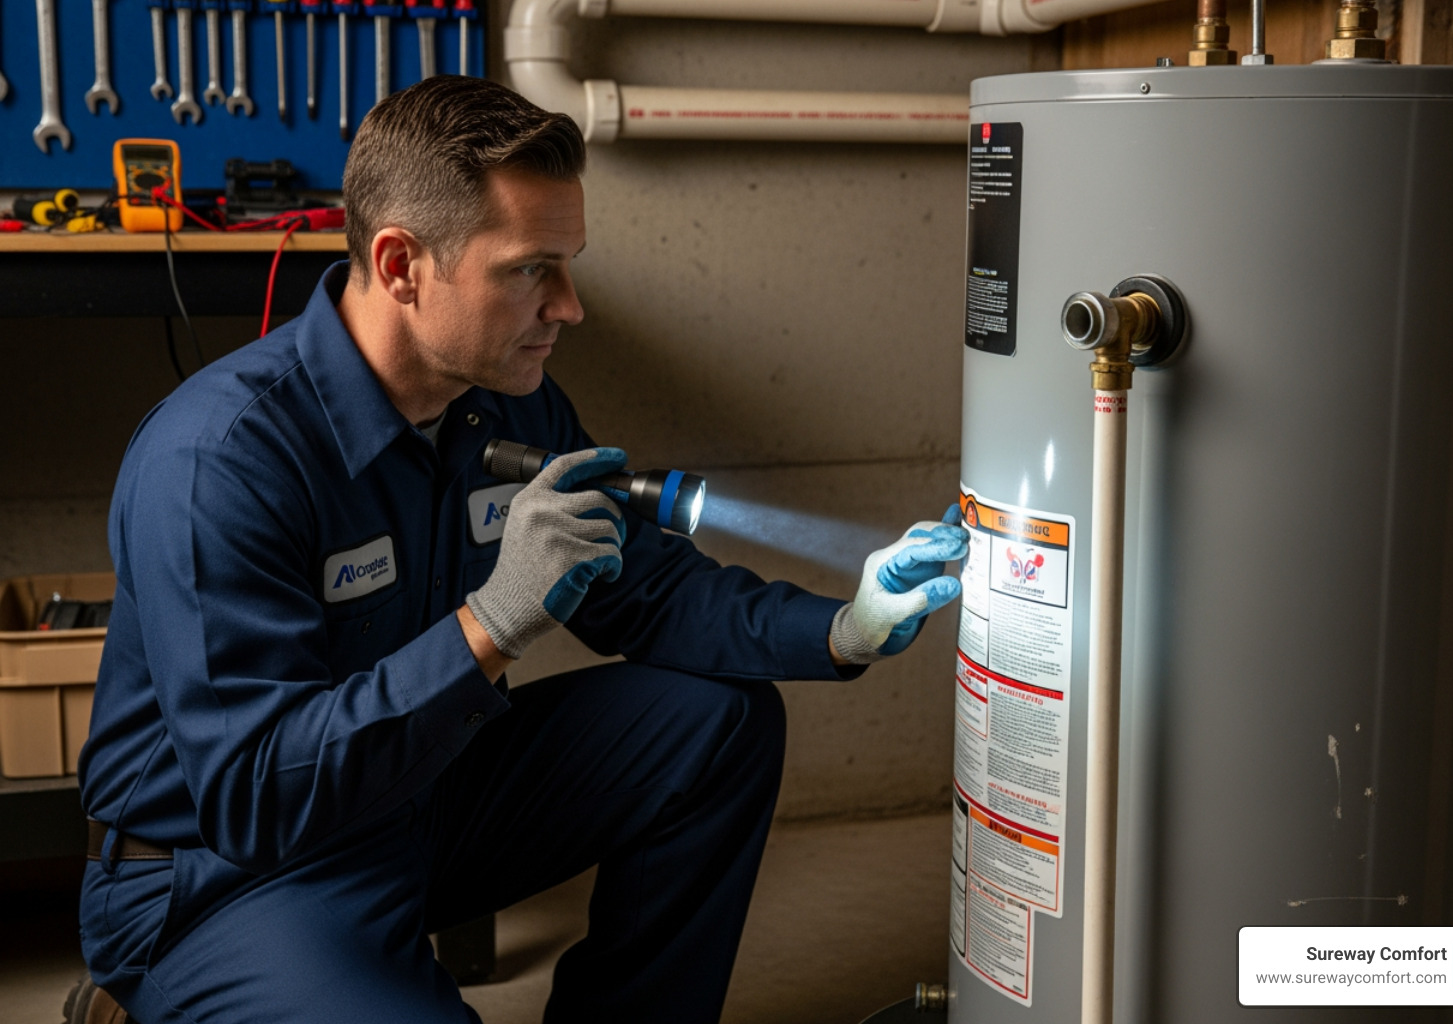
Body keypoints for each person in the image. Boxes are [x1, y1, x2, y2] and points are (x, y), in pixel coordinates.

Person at [76, 75, 967, 1024]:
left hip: (419, 802)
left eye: (570, 263)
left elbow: (647, 592)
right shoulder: (220, 461)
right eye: (530, 269)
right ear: (402, 263)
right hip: (225, 872)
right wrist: (492, 623)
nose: (570, 306)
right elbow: (255, 794)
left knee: (717, 725)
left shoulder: (506, 401)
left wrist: (846, 626)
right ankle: (160, 998)